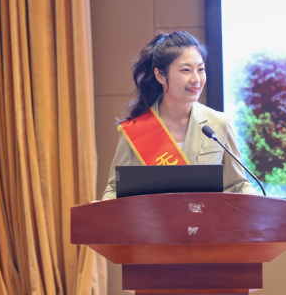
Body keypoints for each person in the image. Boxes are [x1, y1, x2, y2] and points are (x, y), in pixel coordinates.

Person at [102, 31, 257, 200]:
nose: (196, 79)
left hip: (205, 217)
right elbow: (115, 189)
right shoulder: (135, 129)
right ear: (160, 75)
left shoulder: (219, 123)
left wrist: (261, 207)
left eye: (201, 69)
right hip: (153, 218)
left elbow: (239, 185)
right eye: (186, 70)